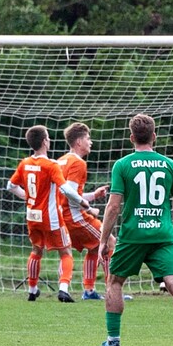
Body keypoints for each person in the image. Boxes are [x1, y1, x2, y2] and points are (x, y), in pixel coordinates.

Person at [92, 114, 173, 346]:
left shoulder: (122, 165)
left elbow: (113, 207)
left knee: (114, 282)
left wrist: (103, 240)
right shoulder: (169, 165)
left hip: (132, 236)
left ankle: (113, 341)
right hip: (163, 235)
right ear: (154, 136)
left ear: (131, 137)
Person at [6, 125, 94, 303]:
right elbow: (67, 190)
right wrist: (85, 204)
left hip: (32, 215)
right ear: (45, 141)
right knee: (65, 251)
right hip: (51, 217)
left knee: (36, 251)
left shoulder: (25, 163)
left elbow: (10, 186)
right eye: (48, 137)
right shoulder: (51, 165)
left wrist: (27, 197)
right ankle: (63, 289)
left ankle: (32, 290)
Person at [56, 122, 113, 300]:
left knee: (95, 247)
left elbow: (69, 192)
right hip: (75, 217)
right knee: (109, 241)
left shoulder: (61, 160)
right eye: (88, 138)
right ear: (79, 141)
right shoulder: (78, 163)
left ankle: (88, 291)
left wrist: (94, 195)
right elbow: (71, 194)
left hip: (61, 217)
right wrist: (89, 207)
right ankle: (113, 289)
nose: (91, 142)